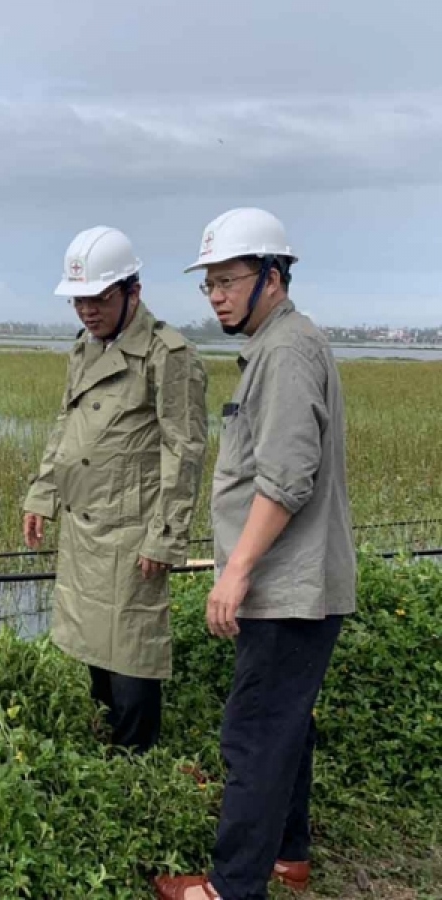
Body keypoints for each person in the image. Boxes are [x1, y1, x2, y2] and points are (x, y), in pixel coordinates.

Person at [154, 209, 356, 900]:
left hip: (285, 588)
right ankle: (286, 856)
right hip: (294, 585)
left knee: (254, 735)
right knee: (285, 730)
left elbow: (287, 477)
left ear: (273, 276)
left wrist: (234, 571)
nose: (215, 295)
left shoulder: (287, 351)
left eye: (228, 279)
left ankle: (230, 889)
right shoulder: (277, 345)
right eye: (208, 283)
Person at [21, 226, 208, 753]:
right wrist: (42, 495)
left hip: (133, 528)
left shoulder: (168, 354)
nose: (87, 310)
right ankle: (108, 748)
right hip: (85, 524)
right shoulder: (84, 347)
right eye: (79, 300)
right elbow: (67, 426)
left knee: (131, 651)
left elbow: (185, 448)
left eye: (98, 298)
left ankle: (135, 761)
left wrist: (165, 537)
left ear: (133, 290)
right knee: (93, 647)